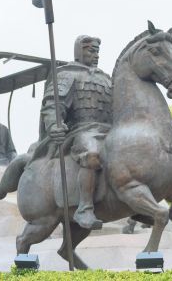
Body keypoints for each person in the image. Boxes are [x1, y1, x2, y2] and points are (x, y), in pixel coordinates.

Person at [36, 35, 112, 229]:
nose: (96, 55)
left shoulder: (106, 79)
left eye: (97, 51)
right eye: (91, 51)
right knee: (91, 152)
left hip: (110, 131)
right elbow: (53, 105)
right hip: (82, 131)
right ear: (79, 52)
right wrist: (54, 125)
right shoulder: (67, 75)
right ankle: (84, 208)